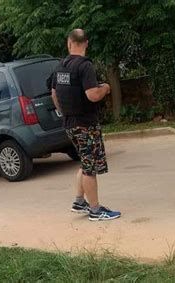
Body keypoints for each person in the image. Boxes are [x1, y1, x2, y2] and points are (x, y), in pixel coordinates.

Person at [51, 29, 121, 221]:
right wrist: (106, 88)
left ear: (69, 42)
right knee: (90, 167)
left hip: (70, 123)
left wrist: (64, 112)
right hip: (86, 124)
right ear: (87, 43)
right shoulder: (84, 66)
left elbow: (54, 94)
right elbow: (92, 95)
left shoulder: (60, 67)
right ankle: (96, 210)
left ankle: (79, 201)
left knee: (84, 161)